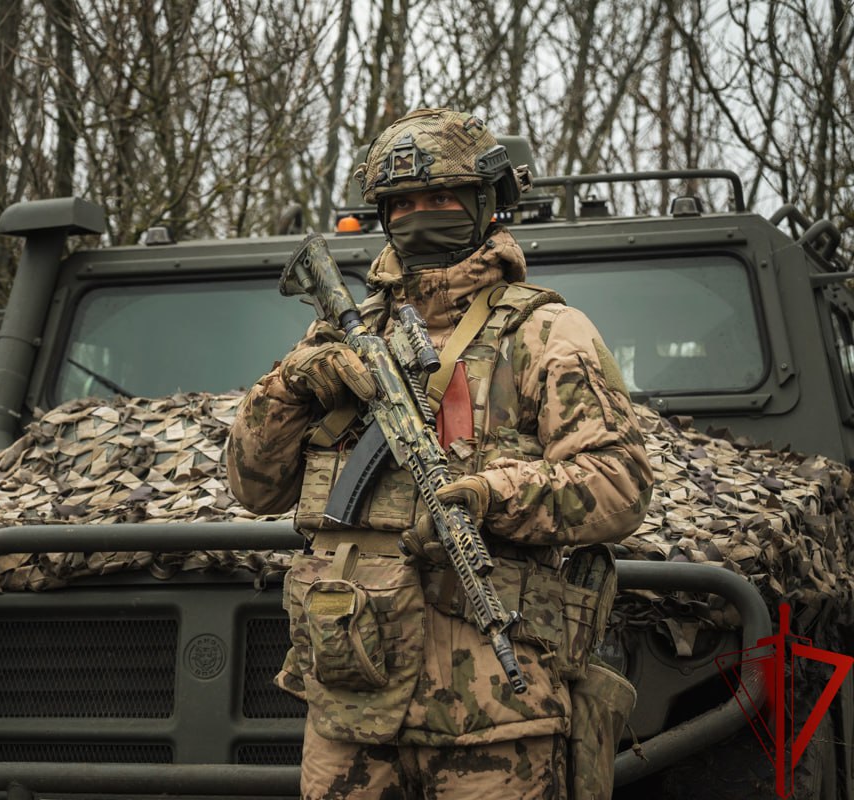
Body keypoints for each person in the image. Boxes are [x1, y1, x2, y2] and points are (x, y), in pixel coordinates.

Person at [225, 108, 654, 799]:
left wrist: (492, 494)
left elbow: (620, 482)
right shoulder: (344, 332)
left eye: (441, 200)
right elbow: (253, 487)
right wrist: (294, 384)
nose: (421, 216)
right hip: (351, 700)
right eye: (404, 204)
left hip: (491, 714)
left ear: (485, 207)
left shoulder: (545, 332)